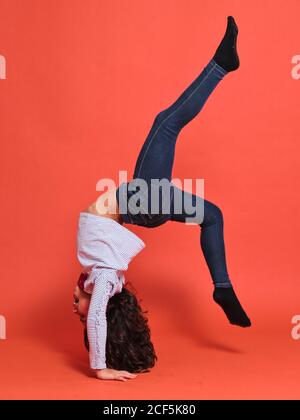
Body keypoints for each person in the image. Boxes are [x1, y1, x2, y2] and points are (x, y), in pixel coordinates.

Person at [74, 16, 251, 382]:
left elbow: (93, 307)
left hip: (143, 206)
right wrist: (100, 367)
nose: (74, 305)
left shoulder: (95, 274)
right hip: (141, 201)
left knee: (212, 216)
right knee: (165, 123)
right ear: (99, 308)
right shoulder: (104, 279)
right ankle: (222, 64)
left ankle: (222, 289)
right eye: (78, 309)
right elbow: (96, 315)